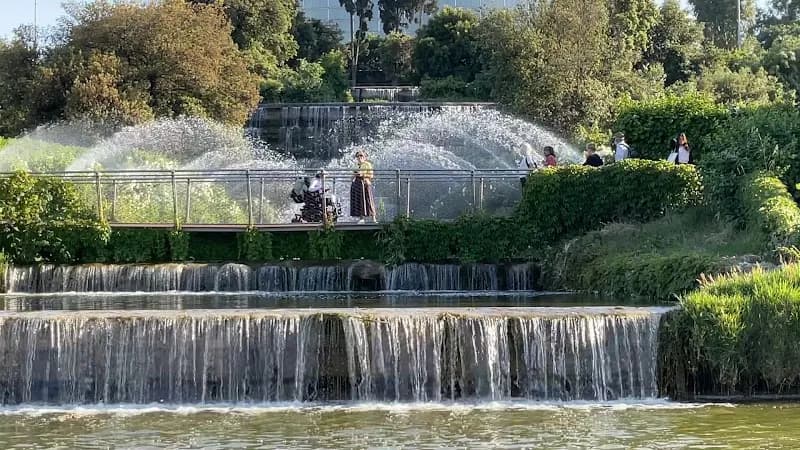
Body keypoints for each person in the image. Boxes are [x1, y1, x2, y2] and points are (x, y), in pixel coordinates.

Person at [350, 150, 376, 223]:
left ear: (365, 157)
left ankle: (373, 218)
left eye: (361, 155)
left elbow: (371, 175)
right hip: (358, 185)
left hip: (365, 184)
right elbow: (353, 175)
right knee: (359, 201)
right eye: (358, 156)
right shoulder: (357, 165)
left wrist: (362, 175)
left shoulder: (367, 164)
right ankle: (361, 218)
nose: (359, 157)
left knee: (368, 200)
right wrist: (353, 177)